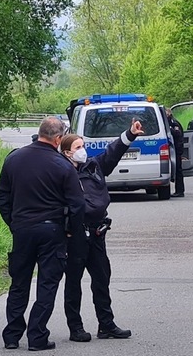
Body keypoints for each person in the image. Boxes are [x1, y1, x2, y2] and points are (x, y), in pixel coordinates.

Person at [0, 116, 82, 351]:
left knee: (19, 283)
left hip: (22, 229)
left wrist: (13, 222)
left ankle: (12, 336)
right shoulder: (63, 165)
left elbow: (2, 196)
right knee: (47, 283)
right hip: (52, 230)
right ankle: (37, 335)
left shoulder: (13, 159)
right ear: (58, 139)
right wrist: (72, 232)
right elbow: (77, 205)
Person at [57, 118, 144, 341]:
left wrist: (130, 133)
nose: (82, 151)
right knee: (74, 282)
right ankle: (75, 328)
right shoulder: (61, 173)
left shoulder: (94, 166)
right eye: (77, 147)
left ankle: (106, 325)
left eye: (83, 146)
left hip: (97, 233)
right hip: (75, 234)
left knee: (102, 278)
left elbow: (113, 152)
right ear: (67, 153)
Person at [165, 108, 185, 197]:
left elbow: (178, 133)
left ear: (169, 114)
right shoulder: (168, 122)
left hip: (177, 148)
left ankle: (180, 191)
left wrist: (169, 129)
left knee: (178, 170)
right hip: (173, 148)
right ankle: (178, 190)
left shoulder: (173, 122)